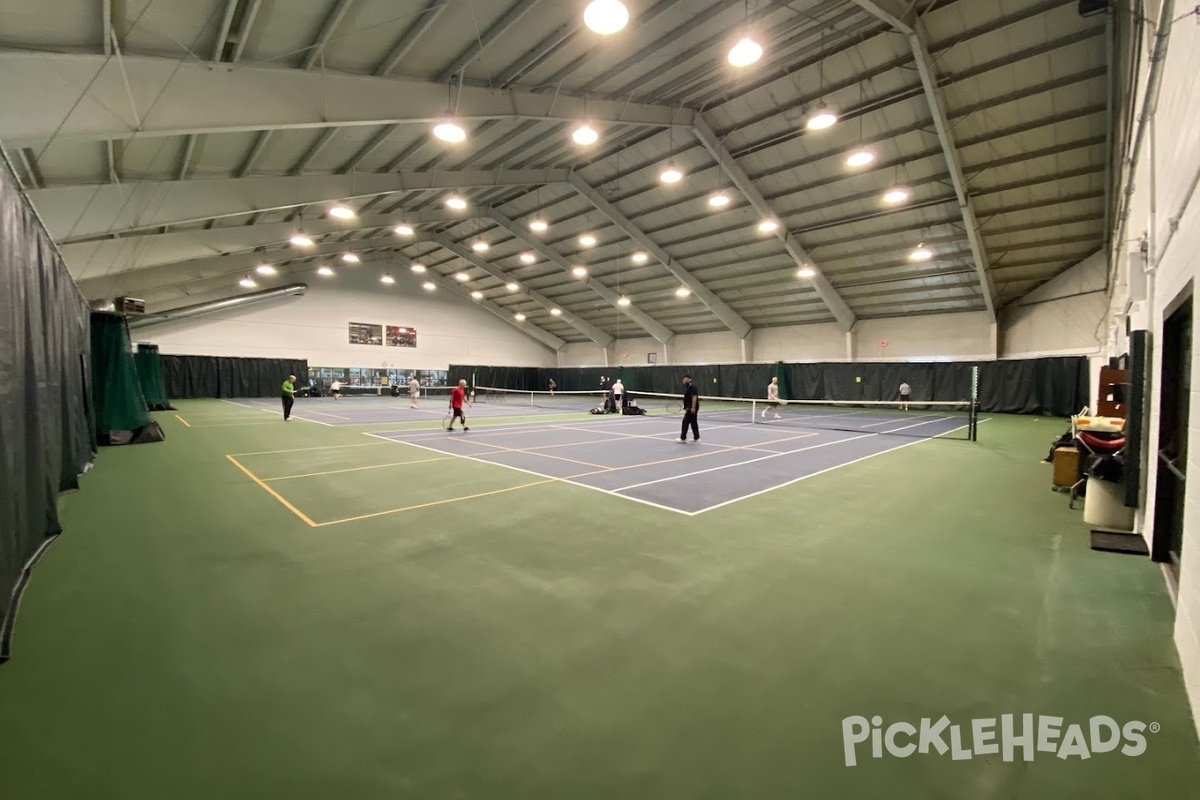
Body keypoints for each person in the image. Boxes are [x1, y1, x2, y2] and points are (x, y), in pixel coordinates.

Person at [678, 374, 699, 442]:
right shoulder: (688, 387)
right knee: (693, 423)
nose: (684, 380)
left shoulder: (691, 387)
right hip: (690, 408)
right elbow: (688, 398)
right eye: (683, 379)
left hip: (691, 408)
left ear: (690, 379)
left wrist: (692, 407)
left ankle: (683, 438)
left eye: (685, 378)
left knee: (685, 422)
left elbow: (694, 397)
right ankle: (696, 437)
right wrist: (686, 407)